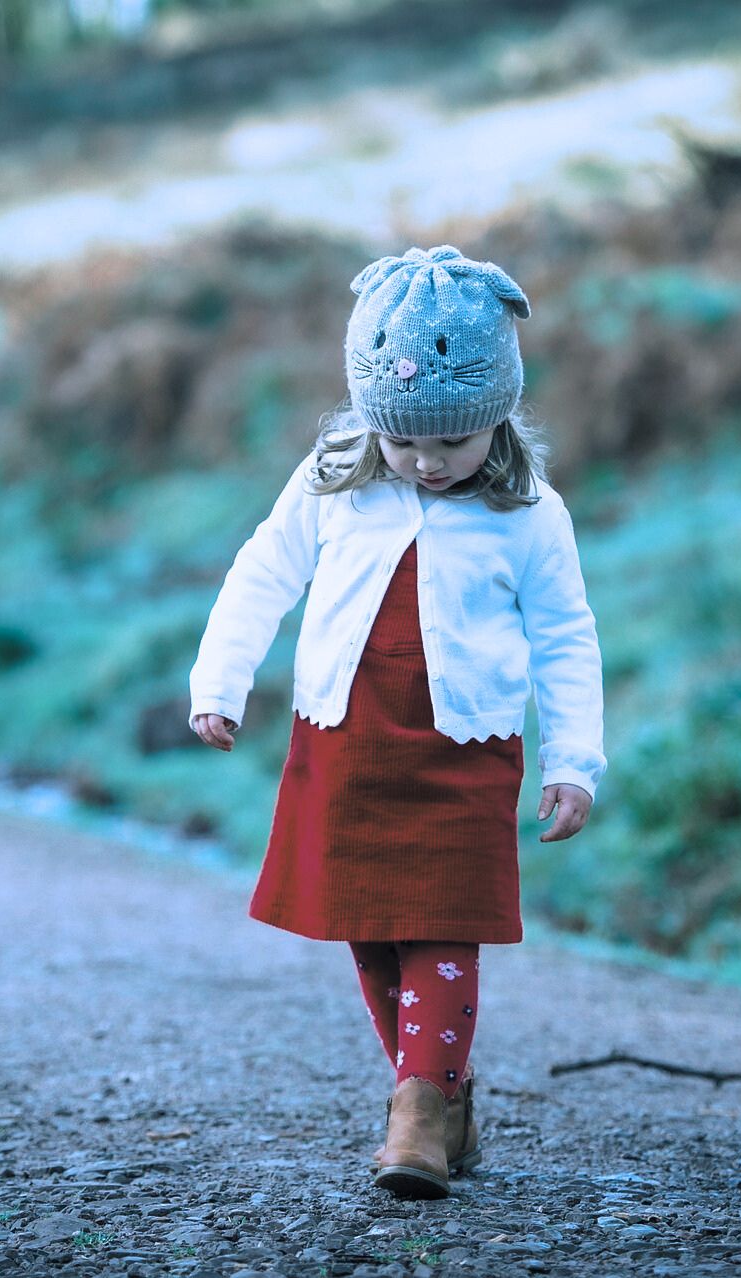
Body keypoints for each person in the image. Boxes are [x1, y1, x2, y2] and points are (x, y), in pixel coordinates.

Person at [188, 245, 605, 1200]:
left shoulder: (530, 515)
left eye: (450, 444)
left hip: (466, 748)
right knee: (371, 925)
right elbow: (265, 572)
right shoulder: (336, 476)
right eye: (405, 441)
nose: (425, 462)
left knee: (442, 918)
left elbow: (566, 638)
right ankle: (442, 1095)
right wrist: (222, 682)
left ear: (495, 418)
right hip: (348, 735)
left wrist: (574, 760)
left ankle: (416, 1108)